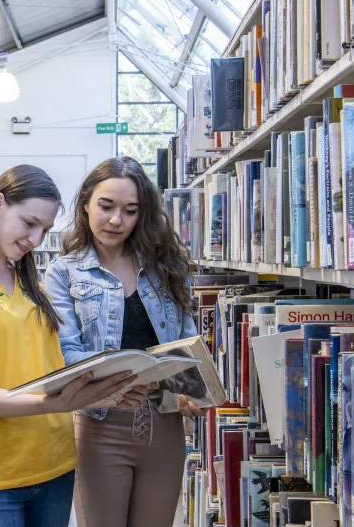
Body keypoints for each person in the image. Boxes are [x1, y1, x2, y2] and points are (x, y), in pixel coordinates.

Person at [0, 164, 149, 527]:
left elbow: (54, 366)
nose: (35, 239)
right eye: (29, 223)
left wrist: (104, 391)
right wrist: (58, 403)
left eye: (44, 230)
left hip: (55, 463)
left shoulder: (32, 283)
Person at [44, 157, 204, 527]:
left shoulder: (167, 266)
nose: (116, 220)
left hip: (165, 424)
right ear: (86, 204)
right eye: (106, 206)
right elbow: (68, 351)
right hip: (99, 425)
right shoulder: (63, 272)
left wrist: (195, 389)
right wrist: (112, 390)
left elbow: (186, 340)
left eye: (130, 211)